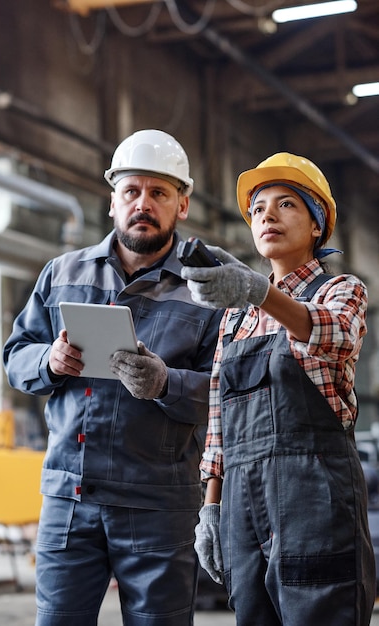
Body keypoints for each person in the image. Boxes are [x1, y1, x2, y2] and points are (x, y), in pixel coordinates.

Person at [3, 129, 223, 626]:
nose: (143, 203)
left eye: (159, 193)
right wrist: (48, 362)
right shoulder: (61, 273)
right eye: (132, 191)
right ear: (112, 201)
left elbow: (227, 395)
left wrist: (167, 383)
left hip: (159, 506)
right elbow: (16, 355)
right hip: (69, 500)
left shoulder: (205, 292)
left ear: (182, 205)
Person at [181, 152, 376, 625]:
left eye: (286, 204)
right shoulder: (235, 316)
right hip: (242, 511)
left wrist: (258, 290)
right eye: (259, 208)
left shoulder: (339, 291)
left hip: (315, 501)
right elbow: (219, 427)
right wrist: (211, 509)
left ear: (316, 226)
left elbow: (335, 332)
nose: (268, 214)